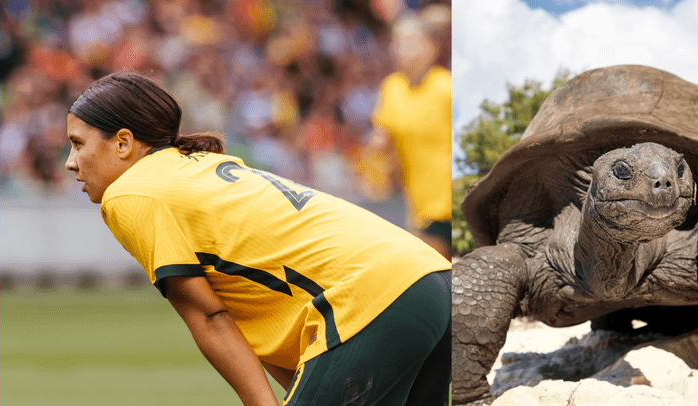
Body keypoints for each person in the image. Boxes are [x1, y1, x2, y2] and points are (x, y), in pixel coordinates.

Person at [64, 71, 451, 406]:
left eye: (78, 143)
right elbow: (257, 312)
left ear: (123, 143)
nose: (70, 161)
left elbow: (209, 316)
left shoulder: (130, 192)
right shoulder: (198, 163)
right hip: (431, 279)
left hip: (373, 298)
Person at [369, 12, 453, 260]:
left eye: (410, 43)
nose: (402, 50)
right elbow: (383, 140)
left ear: (432, 47)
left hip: (455, 201)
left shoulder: (446, 88)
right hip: (421, 207)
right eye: (398, 43)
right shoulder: (392, 88)